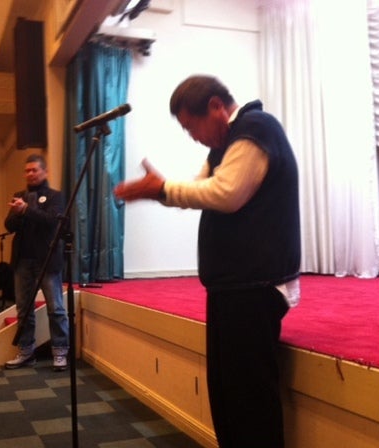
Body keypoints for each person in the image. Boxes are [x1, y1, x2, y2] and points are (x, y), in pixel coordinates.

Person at [114, 75, 301, 448]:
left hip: (254, 288)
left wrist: (162, 190)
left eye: (191, 126)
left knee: (249, 399)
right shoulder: (223, 146)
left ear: (216, 106)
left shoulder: (255, 128)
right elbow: (201, 188)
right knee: (227, 395)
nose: (192, 136)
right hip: (232, 289)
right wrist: (160, 192)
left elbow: (225, 194)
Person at [4, 154, 69, 371]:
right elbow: (9, 225)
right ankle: (26, 352)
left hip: (47, 259)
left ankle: (60, 352)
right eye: (27, 170)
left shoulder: (55, 196)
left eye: (34, 170)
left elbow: (51, 221)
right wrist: (17, 213)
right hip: (22, 260)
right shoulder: (19, 196)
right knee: (23, 309)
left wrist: (26, 210)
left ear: (45, 172)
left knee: (56, 308)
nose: (30, 174)